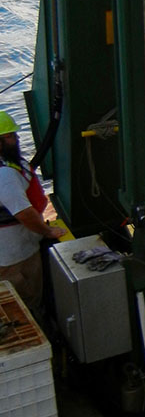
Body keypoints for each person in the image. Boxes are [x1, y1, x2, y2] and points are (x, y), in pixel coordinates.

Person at [0, 111, 65, 314]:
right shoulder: (5, 174)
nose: (16, 139)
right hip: (15, 258)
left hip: (14, 252)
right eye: (10, 136)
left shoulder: (8, 166)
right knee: (26, 304)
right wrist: (48, 232)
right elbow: (24, 214)